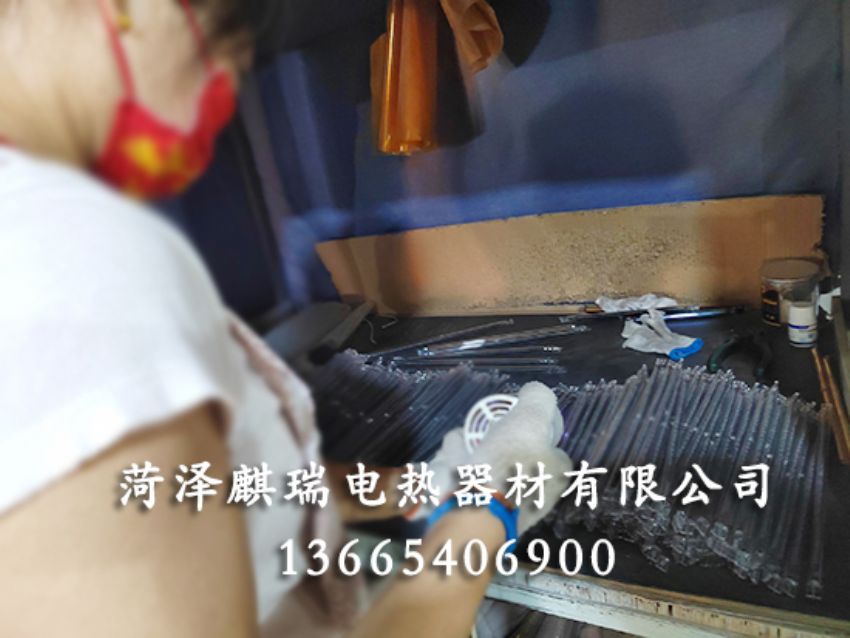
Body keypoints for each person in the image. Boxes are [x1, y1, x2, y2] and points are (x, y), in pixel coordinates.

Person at [0, 1, 573, 636]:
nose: (226, 72)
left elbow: (211, 486)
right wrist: (483, 516)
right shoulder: (57, 267)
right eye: (210, 30)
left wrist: (417, 486)